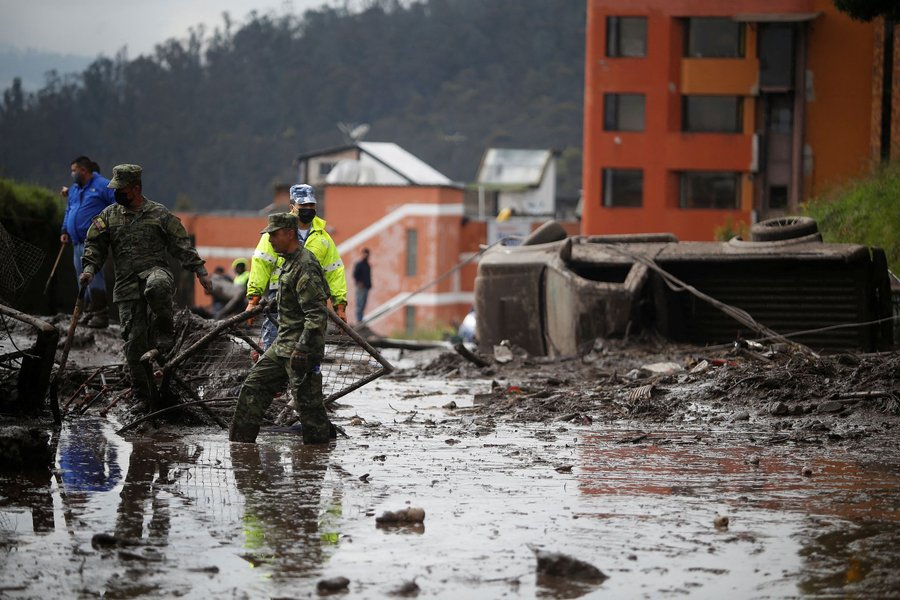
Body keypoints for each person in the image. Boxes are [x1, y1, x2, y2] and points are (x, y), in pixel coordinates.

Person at [80, 164, 213, 407]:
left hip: (155, 272)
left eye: (122, 189)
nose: (117, 193)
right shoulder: (110, 215)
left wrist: (201, 272)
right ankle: (145, 397)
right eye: (115, 189)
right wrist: (89, 269)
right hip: (127, 287)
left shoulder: (159, 214)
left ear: (136, 188)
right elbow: (94, 245)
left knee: (157, 286)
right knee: (134, 346)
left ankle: (164, 328)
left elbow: (181, 245)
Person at [230, 213, 332, 444]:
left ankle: (317, 461)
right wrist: (266, 304)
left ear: (288, 233)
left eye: (274, 234)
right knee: (254, 385)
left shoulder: (305, 265)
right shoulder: (289, 263)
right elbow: (291, 300)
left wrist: (302, 349)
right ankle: (240, 446)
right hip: (283, 345)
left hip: (301, 348)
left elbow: (316, 314)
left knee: (309, 407)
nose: (270, 239)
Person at [246, 184, 348, 353]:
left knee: (308, 346)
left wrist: (340, 306)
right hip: (280, 297)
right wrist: (253, 300)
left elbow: (334, 271)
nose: (308, 209)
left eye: (311, 206)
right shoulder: (277, 232)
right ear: (292, 207)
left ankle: (304, 375)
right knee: (274, 342)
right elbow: (261, 264)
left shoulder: (323, 237)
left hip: (311, 300)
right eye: (303, 206)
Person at [59, 156, 115, 328]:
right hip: (76, 241)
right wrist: (65, 230)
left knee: (94, 276)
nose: (72, 174)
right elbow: (70, 209)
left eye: (74, 170)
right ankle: (88, 311)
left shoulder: (102, 185)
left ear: (84, 170)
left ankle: (100, 314)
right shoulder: (75, 189)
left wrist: (107, 227)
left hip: (94, 241)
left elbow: (117, 206)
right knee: (81, 278)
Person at [352, 247, 372, 323]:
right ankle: (359, 320)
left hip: (366, 287)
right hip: (360, 287)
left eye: (366, 253)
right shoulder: (359, 264)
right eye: (364, 253)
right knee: (359, 304)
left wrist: (369, 285)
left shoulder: (368, 265)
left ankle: (361, 320)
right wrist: (359, 283)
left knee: (363, 304)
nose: (365, 255)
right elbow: (355, 275)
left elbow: (368, 276)